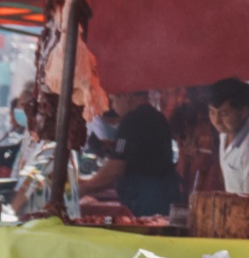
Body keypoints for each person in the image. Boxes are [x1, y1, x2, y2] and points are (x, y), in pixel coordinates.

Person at [75, 89, 182, 218]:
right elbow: (138, 152)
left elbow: (115, 169)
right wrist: (113, 146)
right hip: (163, 202)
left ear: (126, 96)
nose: (113, 106)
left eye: (114, 100)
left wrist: (84, 188)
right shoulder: (157, 118)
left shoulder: (131, 121)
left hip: (146, 206)